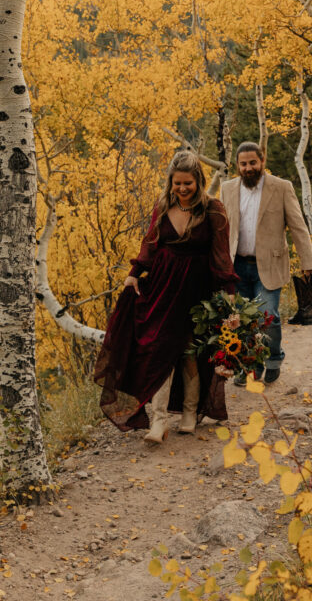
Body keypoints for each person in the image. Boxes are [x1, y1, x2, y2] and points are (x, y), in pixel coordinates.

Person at [94, 151, 238, 444]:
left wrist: (228, 294)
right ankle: (158, 421)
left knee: (189, 353)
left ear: (198, 180)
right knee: (158, 350)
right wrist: (135, 272)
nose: (182, 189)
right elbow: (150, 244)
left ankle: (188, 414)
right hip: (162, 286)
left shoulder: (214, 210)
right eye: (177, 184)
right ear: (170, 183)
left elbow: (221, 255)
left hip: (198, 290)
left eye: (188, 183)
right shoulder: (162, 206)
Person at [220, 142, 312, 385]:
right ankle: (249, 365)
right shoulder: (227, 189)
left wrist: (308, 262)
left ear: (262, 161)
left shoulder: (281, 187)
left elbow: (297, 226)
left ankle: (273, 358)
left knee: (268, 316)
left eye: (253, 162)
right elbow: (220, 229)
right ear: (237, 166)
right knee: (241, 320)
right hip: (236, 266)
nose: (248, 168)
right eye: (243, 164)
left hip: (270, 265)